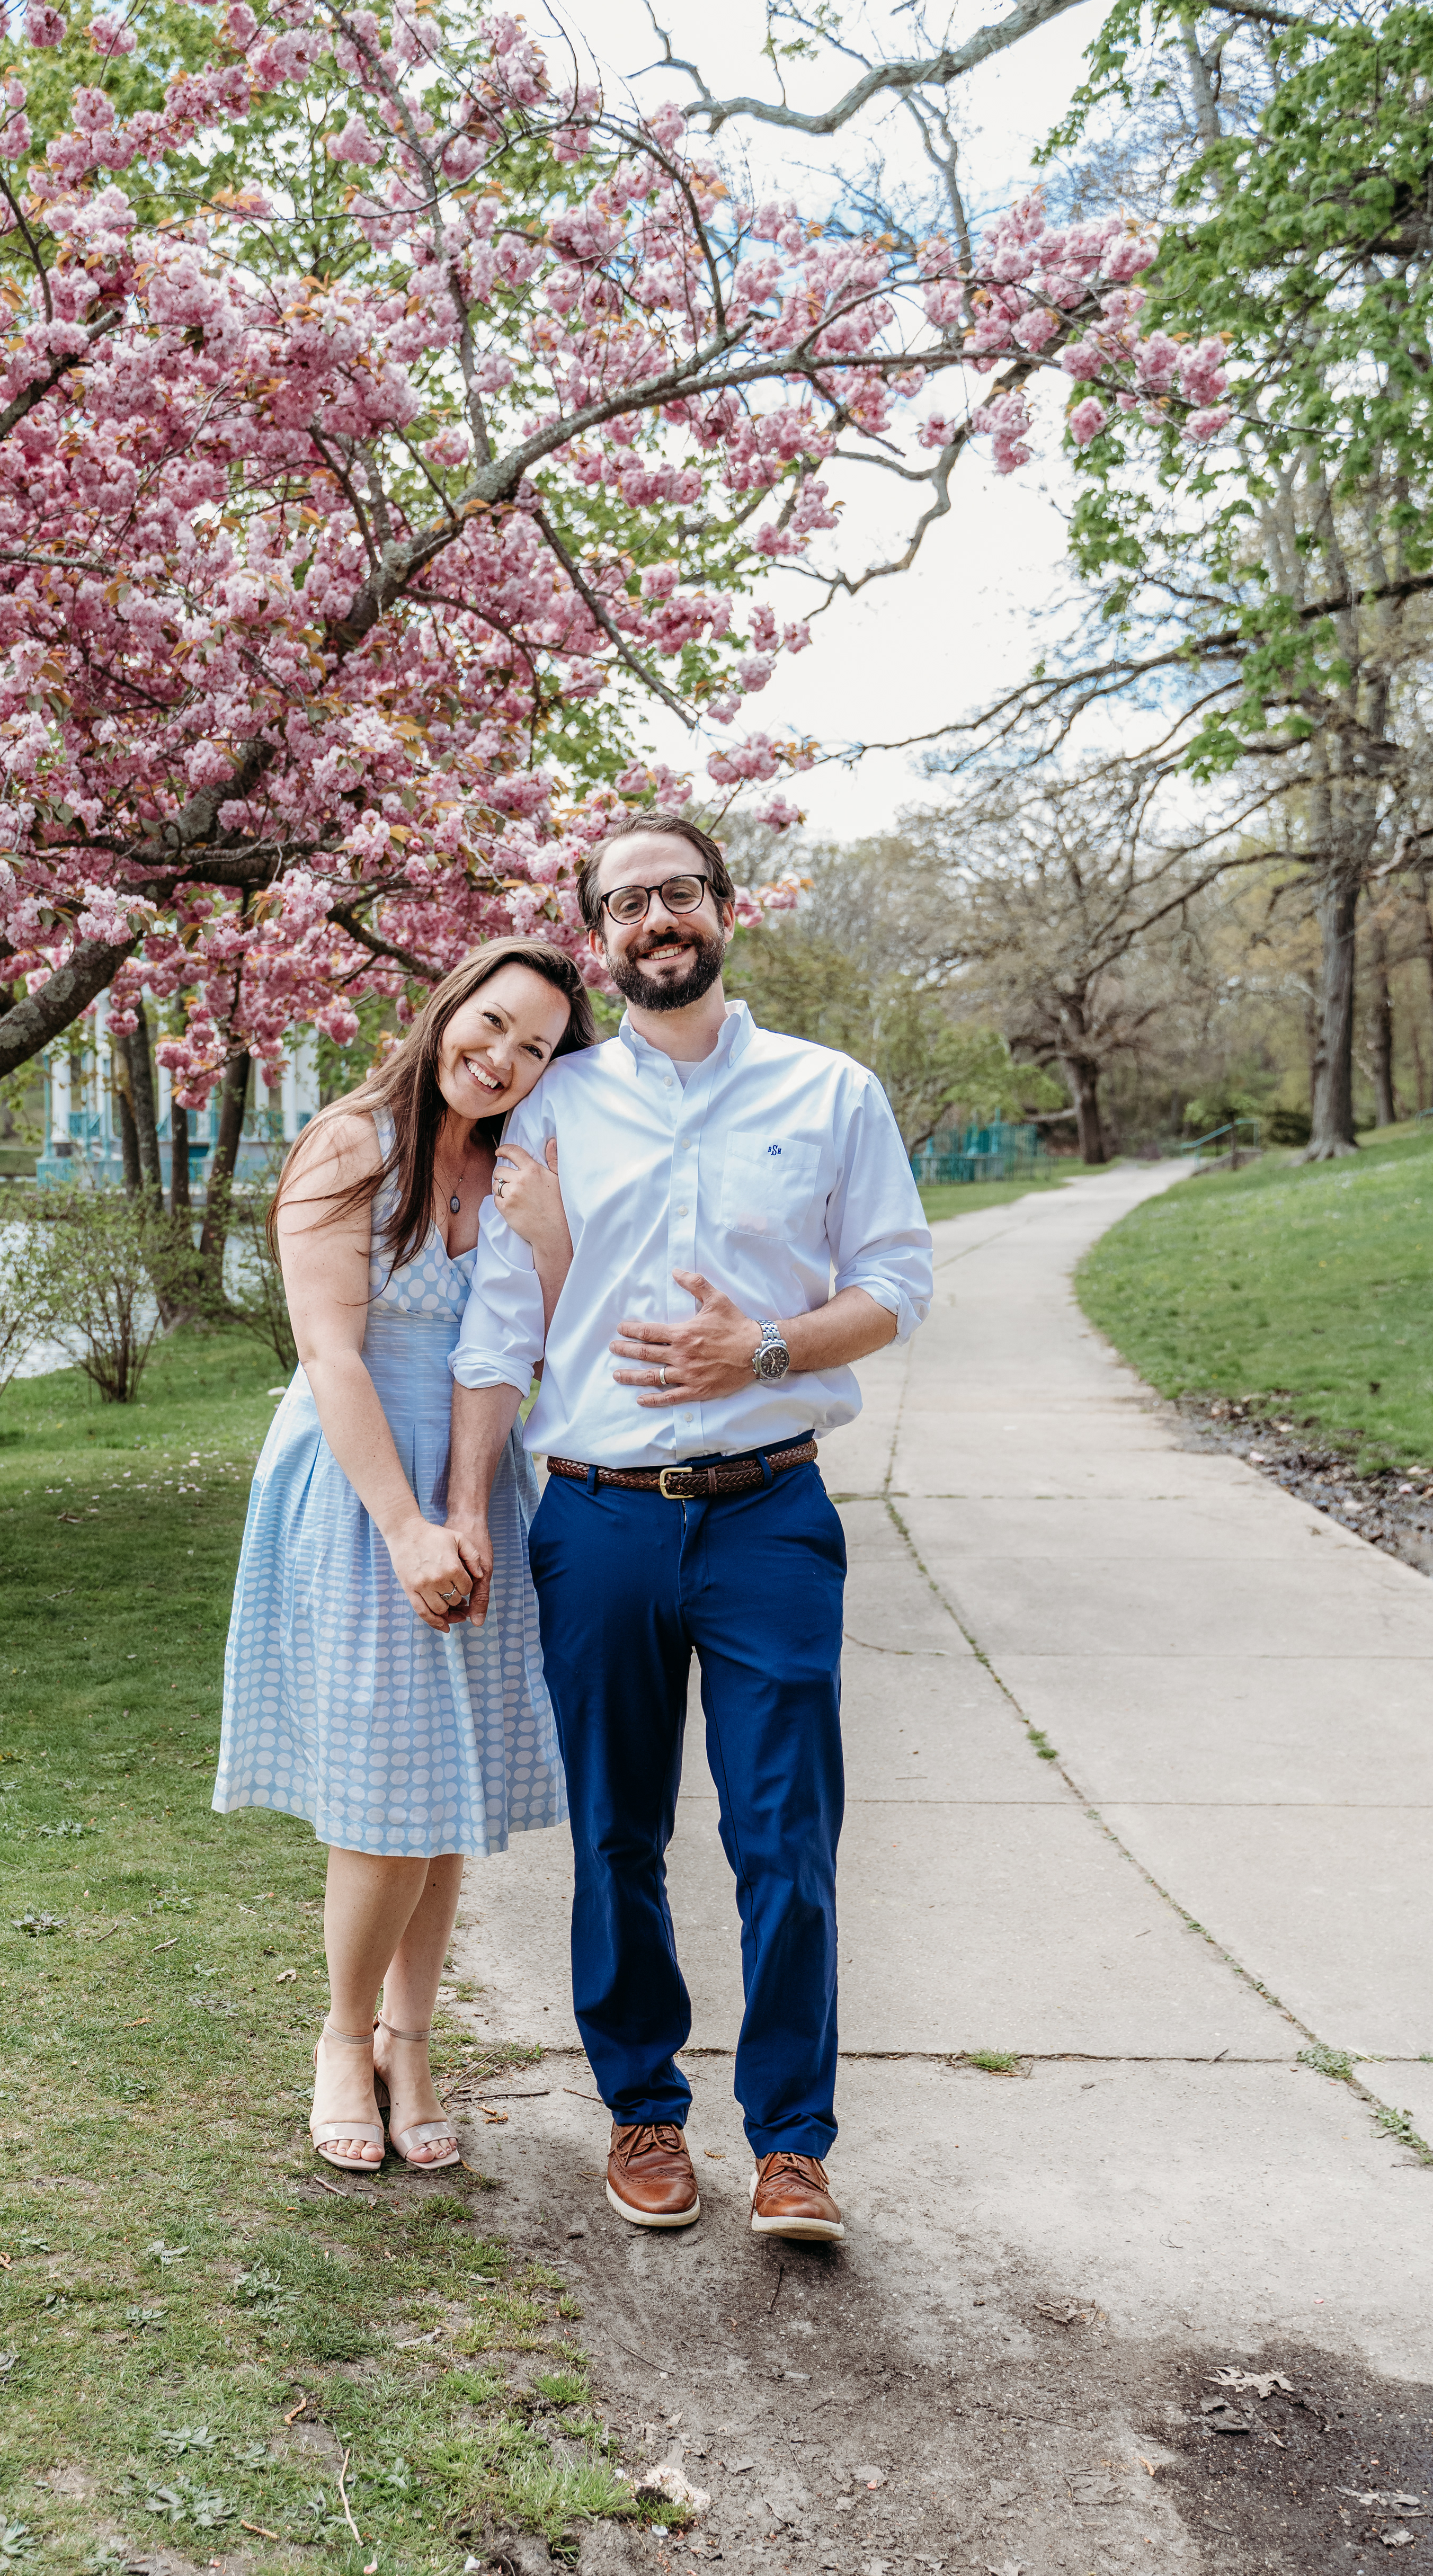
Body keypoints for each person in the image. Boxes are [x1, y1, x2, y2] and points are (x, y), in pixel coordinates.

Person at [444, 813, 932, 2245]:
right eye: (626, 902)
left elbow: (897, 1283)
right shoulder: (552, 1105)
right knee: (617, 1835)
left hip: (768, 1509)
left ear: (726, 909)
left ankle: (792, 2144)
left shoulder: (830, 1092)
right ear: (598, 936)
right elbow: (500, 1327)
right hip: (598, 1520)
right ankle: (644, 2111)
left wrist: (763, 1349)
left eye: (679, 893)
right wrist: (463, 1511)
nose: (656, 919)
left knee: (788, 1836)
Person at [212, 937, 594, 2173]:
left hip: (481, 1476)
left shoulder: (518, 1168)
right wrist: (406, 1526)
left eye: (535, 1047)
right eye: (492, 1023)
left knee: (444, 1788)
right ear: (446, 1008)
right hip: (362, 1481)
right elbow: (331, 1353)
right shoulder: (350, 1147)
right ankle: (342, 2037)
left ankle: (410, 2041)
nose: (503, 1057)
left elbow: (549, 1341)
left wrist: (553, 1241)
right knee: (384, 1786)